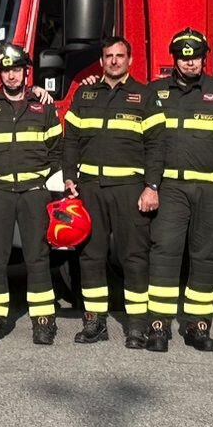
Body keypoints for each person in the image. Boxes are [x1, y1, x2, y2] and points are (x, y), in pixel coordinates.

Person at [138, 28, 213, 353]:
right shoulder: (155, 93)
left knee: (206, 256)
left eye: (196, 57)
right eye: (184, 57)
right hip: (170, 187)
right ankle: (158, 325)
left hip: (212, 187)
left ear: (205, 58)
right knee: (165, 253)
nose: (190, 63)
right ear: (175, 59)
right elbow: (137, 136)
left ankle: (198, 325)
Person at [61, 36, 157, 348]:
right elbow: (71, 139)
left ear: (130, 60)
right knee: (90, 257)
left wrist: (151, 186)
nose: (114, 61)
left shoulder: (144, 96)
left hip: (130, 190)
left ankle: (137, 326)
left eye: (119, 56)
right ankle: (94, 322)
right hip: (90, 190)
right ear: (101, 61)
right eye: (108, 56)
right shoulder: (84, 94)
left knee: (134, 258)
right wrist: (69, 177)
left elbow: (157, 146)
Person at [0, 42, 68, 345]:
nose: (11, 75)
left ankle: (43, 321)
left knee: (37, 257)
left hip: (33, 193)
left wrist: (41, 179)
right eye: (5, 69)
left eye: (16, 69)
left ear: (25, 72)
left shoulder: (43, 106)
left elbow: (57, 149)